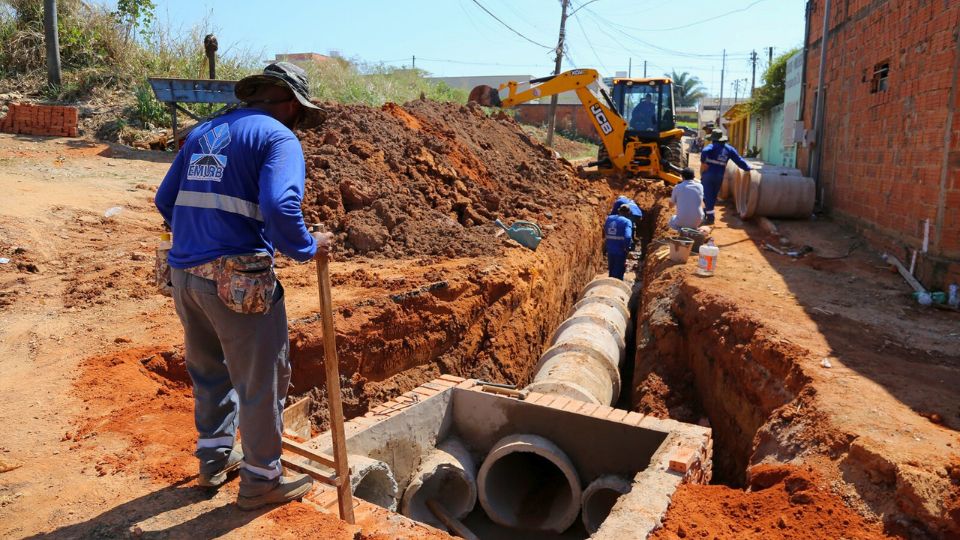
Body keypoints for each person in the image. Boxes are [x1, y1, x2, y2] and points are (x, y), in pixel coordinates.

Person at [155, 62, 333, 511]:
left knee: (210, 370)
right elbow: (279, 204)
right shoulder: (278, 138)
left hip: (184, 276)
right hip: (237, 282)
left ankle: (214, 459)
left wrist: (201, 237)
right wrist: (309, 246)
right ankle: (261, 480)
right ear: (292, 104)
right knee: (261, 380)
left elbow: (164, 198)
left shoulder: (204, 131)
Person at [699, 129, 751, 225]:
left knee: (707, 195)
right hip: (719, 175)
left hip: (708, 175)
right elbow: (739, 160)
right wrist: (748, 169)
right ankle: (708, 210)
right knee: (713, 195)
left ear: (713, 139)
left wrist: (703, 162)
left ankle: (710, 218)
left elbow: (705, 151)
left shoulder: (712, 146)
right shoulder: (729, 149)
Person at [604, 205, 634, 280]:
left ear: (619, 210)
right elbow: (627, 237)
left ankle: (609, 287)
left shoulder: (609, 218)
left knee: (611, 270)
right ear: (628, 213)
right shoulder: (627, 222)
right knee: (618, 273)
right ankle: (616, 288)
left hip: (610, 249)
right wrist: (627, 248)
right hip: (620, 251)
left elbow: (604, 230)